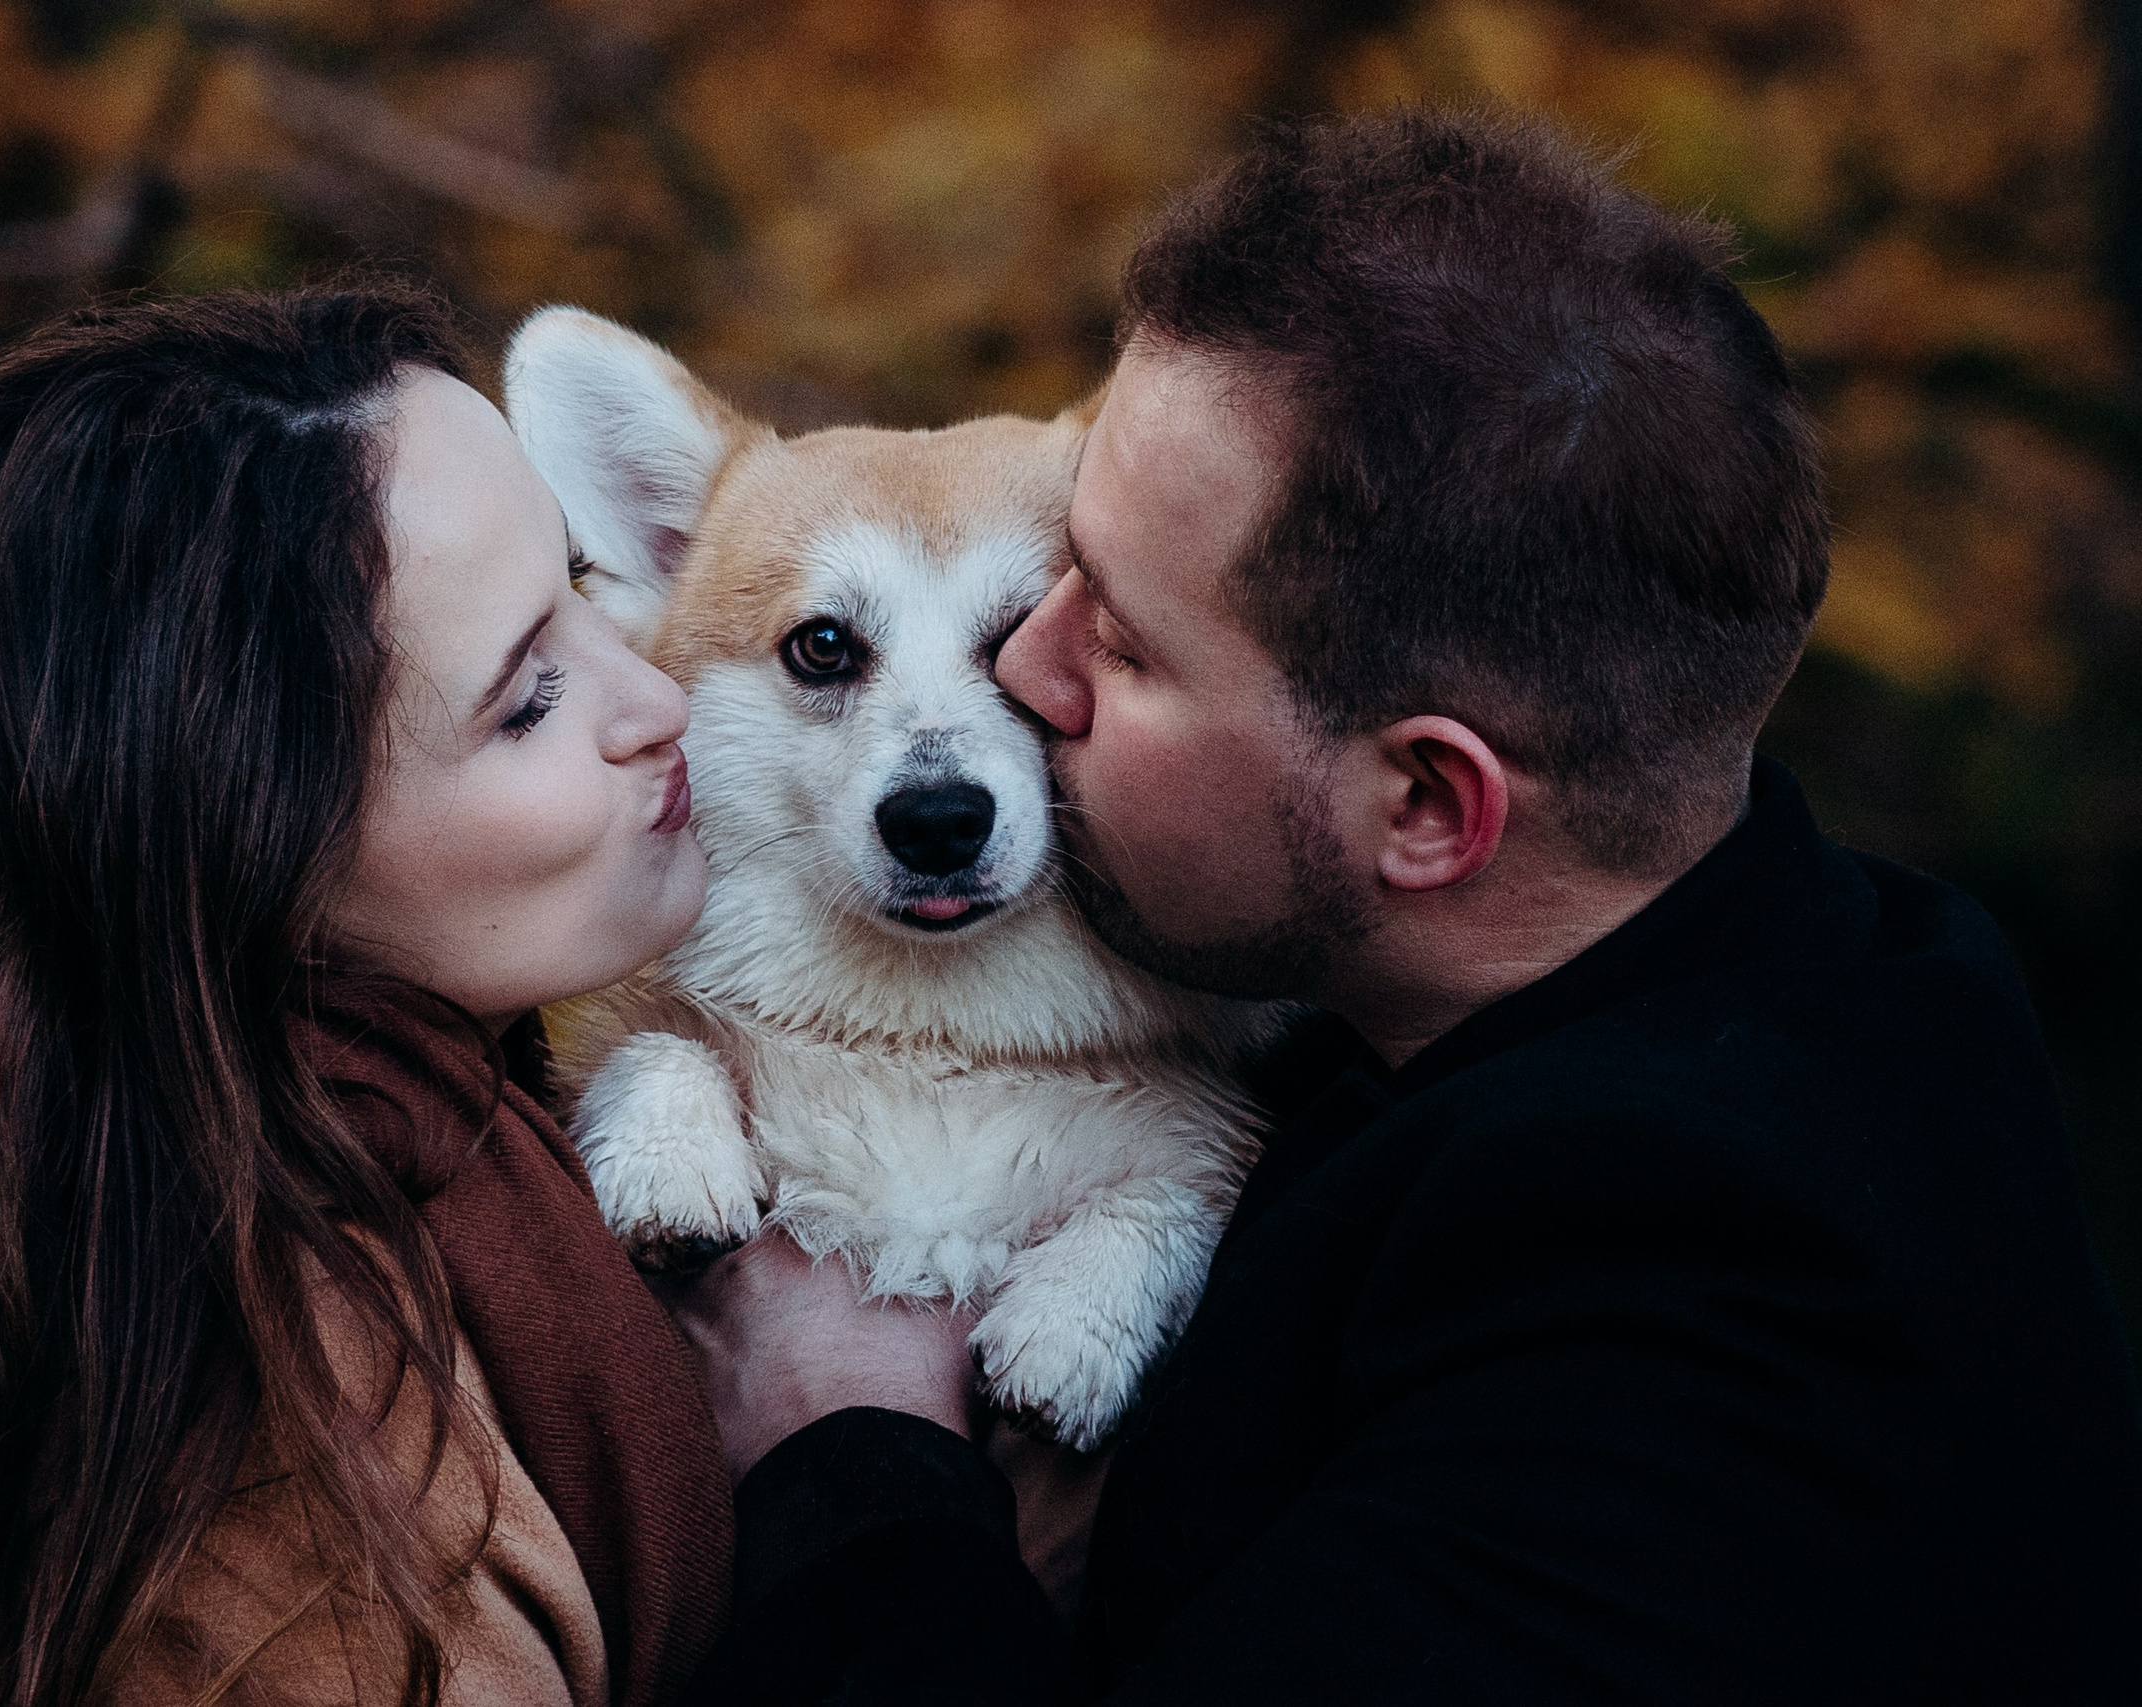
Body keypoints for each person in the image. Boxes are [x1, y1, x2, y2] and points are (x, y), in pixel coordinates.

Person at [667, 109, 2142, 1703]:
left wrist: (847, 1446)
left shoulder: (1697, 1367)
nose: (1030, 670)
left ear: (1427, 809)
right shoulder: (1715, 976)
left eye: (1127, 644)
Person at [0, 287, 731, 1707]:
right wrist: (868, 1466)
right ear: (252, 856)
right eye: (525, 701)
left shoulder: (167, 1220)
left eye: (584, 591)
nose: (656, 696)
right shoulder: (274, 1458)